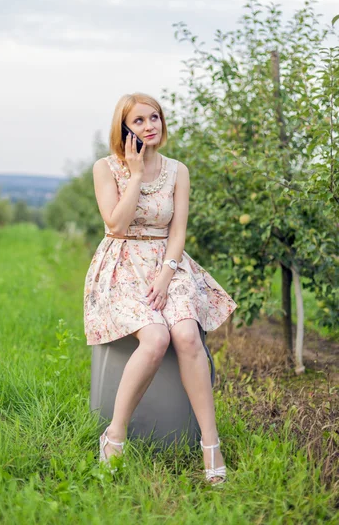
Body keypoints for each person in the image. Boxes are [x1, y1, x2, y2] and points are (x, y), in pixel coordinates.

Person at [84, 92, 238, 485]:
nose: (150, 125)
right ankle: (114, 435)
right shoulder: (106, 169)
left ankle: (210, 442)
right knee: (154, 339)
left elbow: (178, 230)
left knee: (186, 334)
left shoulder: (177, 170)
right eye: (138, 121)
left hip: (168, 263)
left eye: (155, 117)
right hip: (121, 263)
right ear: (123, 128)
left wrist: (168, 274)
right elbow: (116, 225)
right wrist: (134, 175)